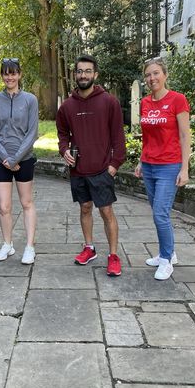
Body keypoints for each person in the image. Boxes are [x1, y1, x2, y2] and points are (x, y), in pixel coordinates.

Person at [56, 54, 126, 276]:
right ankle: (89, 248)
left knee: (106, 211)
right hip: (78, 170)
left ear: (95, 74)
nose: (83, 75)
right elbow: (62, 133)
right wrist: (64, 150)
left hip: (102, 169)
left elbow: (118, 137)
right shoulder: (67, 106)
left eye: (87, 71)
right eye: (79, 71)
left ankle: (113, 256)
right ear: (75, 75)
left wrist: (114, 165)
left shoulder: (109, 102)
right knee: (85, 208)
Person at [135, 57, 191, 281]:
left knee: (160, 213)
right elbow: (146, 137)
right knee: (159, 213)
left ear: (165, 75)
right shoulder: (145, 102)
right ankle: (168, 252)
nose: (152, 78)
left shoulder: (177, 100)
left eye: (156, 73)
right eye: (148, 75)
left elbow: (185, 135)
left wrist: (184, 168)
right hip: (149, 165)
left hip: (169, 165)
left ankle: (166, 261)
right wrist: (140, 160)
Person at [0, 58, 38, 265]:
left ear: (19, 75)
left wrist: (16, 158)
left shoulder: (30, 100)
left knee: (26, 203)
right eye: (6, 73)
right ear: (2, 75)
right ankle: (7, 244)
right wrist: (6, 159)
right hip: (0, 162)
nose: (10, 77)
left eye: (13, 73)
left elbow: (33, 131)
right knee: (4, 206)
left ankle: (29, 247)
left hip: (24, 159)